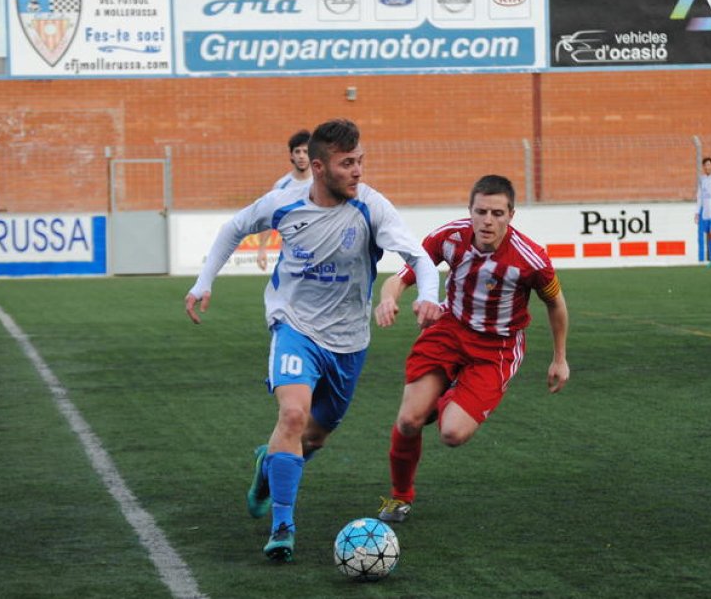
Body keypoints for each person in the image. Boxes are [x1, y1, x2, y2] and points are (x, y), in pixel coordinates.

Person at [184, 118, 442, 562]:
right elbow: (234, 228)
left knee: (314, 437)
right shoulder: (284, 201)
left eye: (360, 161)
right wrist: (203, 281)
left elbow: (418, 257)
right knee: (292, 414)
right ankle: (282, 527)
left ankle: (268, 466)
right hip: (294, 326)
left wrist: (429, 296)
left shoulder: (371, 206)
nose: (357, 171)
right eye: (347, 164)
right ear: (319, 168)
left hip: (348, 341)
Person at [373, 174, 570, 523]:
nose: (487, 221)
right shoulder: (449, 237)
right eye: (481, 212)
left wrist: (560, 359)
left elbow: (556, 304)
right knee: (408, 419)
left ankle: (446, 393)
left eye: (497, 213)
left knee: (452, 433)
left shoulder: (531, 259)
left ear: (511, 215)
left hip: (497, 348)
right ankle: (400, 497)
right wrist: (388, 299)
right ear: (470, 210)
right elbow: (400, 278)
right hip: (450, 330)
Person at [256, 129, 313, 271]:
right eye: (297, 152)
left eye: (306, 152)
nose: (301, 156)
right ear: (291, 155)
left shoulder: (323, 182)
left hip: (321, 253)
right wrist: (262, 248)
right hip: (292, 255)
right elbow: (269, 217)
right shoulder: (281, 186)